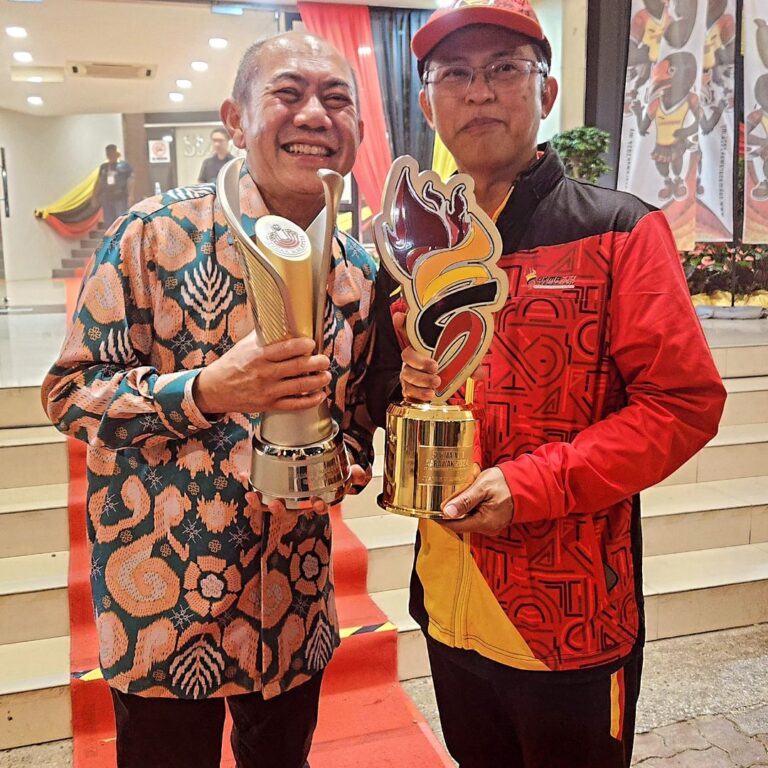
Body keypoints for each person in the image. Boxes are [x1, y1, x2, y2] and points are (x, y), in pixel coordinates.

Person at [367, 1, 727, 766]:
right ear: (428, 105)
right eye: (454, 74)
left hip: (570, 619)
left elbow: (682, 405)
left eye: (505, 68)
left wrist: (533, 485)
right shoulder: (412, 245)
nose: (479, 91)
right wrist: (399, 397)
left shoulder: (618, 230)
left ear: (547, 91)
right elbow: (381, 388)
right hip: (446, 596)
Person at [42, 31, 375, 768]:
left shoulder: (356, 270)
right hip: (162, 603)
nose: (314, 115)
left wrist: (343, 464)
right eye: (288, 94)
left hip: (292, 601)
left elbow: (354, 420)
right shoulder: (152, 235)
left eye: (337, 99)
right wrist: (204, 391)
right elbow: (69, 392)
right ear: (236, 118)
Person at [94, 144, 134, 227]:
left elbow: (131, 180)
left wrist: (131, 195)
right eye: (108, 153)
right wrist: (94, 196)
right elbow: (99, 182)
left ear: (116, 153)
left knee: (121, 219)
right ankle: (111, 235)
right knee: (108, 221)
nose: (110, 155)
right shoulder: (104, 167)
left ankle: (121, 234)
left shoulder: (125, 166)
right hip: (107, 197)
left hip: (120, 197)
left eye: (112, 153)